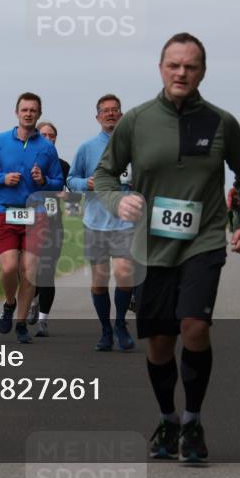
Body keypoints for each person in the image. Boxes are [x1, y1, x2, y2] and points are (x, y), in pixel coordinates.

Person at [93, 33, 240, 463]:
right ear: (160, 68)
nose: (181, 73)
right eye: (174, 65)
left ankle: (193, 421)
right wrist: (117, 201)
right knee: (160, 341)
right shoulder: (136, 121)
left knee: (195, 327)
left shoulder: (222, 122)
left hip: (203, 241)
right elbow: (106, 175)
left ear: (202, 72)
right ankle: (168, 419)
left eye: (190, 66)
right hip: (149, 247)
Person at [0, 93, 64, 344]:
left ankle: (22, 323)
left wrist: (44, 180)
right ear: (17, 113)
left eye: (33, 110)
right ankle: (9, 303)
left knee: (30, 272)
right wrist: (1, 178)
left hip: (37, 215)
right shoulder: (1, 140)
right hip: (6, 212)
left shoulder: (47, 148)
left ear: (39, 114)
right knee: (8, 268)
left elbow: (59, 182)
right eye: (24, 109)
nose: (28, 114)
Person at [67, 94, 136, 352]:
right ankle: (106, 330)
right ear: (98, 117)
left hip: (125, 223)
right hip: (95, 223)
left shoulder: (134, 147)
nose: (110, 114)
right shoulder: (87, 148)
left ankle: (120, 324)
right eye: (105, 110)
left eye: (115, 110)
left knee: (125, 274)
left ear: (121, 115)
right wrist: (86, 183)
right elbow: (71, 179)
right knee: (99, 280)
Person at [27, 121, 71, 337]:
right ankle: (33, 301)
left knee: (47, 271)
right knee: (30, 270)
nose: (47, 138)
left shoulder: (62, 166)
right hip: (30, 222)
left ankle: (43, 320)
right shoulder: (27, 161)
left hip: (53, 223)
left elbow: (73, 192)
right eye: (43, 134)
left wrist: (68, 197)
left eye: (51, 135)